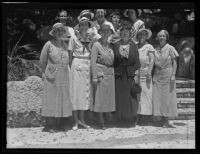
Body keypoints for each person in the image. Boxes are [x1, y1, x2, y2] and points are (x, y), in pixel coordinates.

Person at [40, 23, 73, 132]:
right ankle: (50, 125)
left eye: (61, 31)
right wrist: (45, 73)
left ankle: (61, 123)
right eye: (57, 31)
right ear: (54, 33)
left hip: (63, 75)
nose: (59, 33)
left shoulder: (64, 44)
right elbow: (42, 61)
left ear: (63, 32)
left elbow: (68, 60)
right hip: (52, 76)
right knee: (51, 99)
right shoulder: (48, 44)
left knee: (63, 99)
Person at [113, 21, 141, 127]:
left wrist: (137, 76)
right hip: (119, 75)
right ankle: (120, 119)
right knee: (120, 98)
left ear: (130, 33)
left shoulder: (134, 45)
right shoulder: (115, 45)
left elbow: (137, 62)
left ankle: (130, 119)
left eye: (127, 31)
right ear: (120, 33)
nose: (125, 33)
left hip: (130, 75)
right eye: (123, 31)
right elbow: (113, 61)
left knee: (130, 97)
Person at [68, 17, 93, 130]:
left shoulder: (91, 38)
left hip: (87, 65)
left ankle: (82, 120)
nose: (84, 26)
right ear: (79, 26)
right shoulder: (73, 38)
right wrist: (70, 67)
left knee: (84, 94)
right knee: (75, 93)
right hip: (77, 63)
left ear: (88, 26)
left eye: (86, 24)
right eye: (82, 24)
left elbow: (92, 53)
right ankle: (75, 121)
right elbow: (70, 53)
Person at [91, 23, 115, 129]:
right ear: (100, 33)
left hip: (110, 73)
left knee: (108, 97)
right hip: (101, 73)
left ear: (110, 33)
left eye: (108, 31)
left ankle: (107, 117)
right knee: (100, 97)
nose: (106, 33)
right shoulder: (96, 45)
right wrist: (95, 76)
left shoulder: (110, 45)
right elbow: (93, 61)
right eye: (103, 31)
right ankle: (100, 120)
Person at [152, 30, 179, 128]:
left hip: (167, 75)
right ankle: (161, 119)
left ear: (166, 37)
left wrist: (173, 75)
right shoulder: (156, 49)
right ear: (157, 38)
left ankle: (166, 121)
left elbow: (174, 62)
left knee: (167, 98)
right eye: (160, 36)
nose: (161, 37)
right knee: (159, 98)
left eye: (163, 36)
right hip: (158, 75)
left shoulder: (170, 48)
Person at [136, 28, 155, 126]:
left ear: (146, 36)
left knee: (147, 95)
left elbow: (152, 60)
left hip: (146, 73)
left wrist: (149, 72)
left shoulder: (149, 46)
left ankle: (146, 117)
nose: (142, 36)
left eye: (144, 34)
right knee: (138, 96)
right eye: (140, 34)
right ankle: (138, 115)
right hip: (137, 74)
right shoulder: (136, 46)